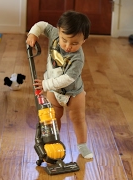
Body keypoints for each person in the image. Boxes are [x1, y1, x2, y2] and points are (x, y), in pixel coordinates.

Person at [26, 10, 93, 159]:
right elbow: (41, 25)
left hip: (73, 93)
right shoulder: (55, 34)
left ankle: (82, 145)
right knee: (53, 118)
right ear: (58, 30)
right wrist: (33, 34)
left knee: (77, 118)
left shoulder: (77, 58)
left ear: (84, 41)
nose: (68, 46)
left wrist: (46, 84)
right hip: (54, 91)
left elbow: (67, 79)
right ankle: (54, 142)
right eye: (64, 40)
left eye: (75, 43)